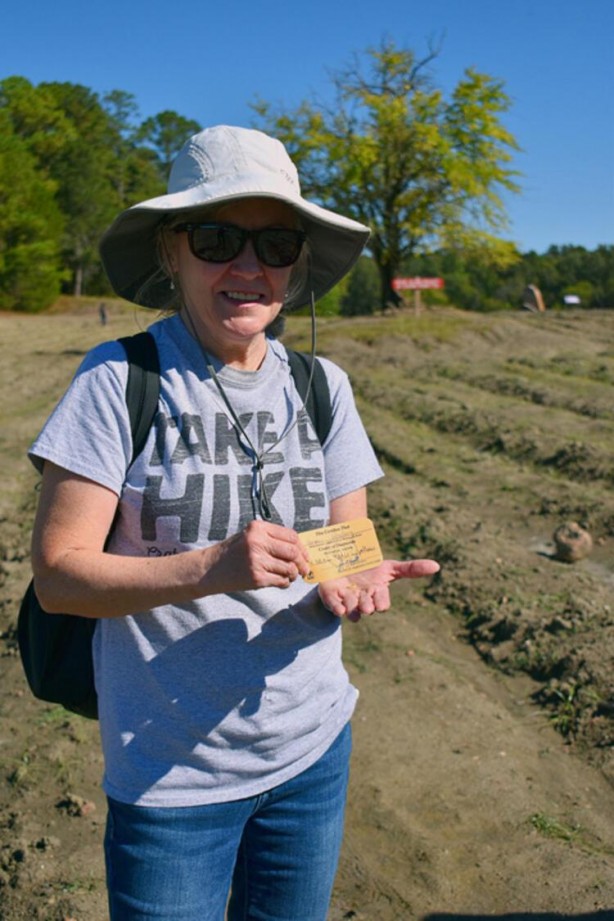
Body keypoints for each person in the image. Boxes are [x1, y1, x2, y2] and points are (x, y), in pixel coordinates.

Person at [29, 125, 440, 921]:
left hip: (313, 750)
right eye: (218, 237)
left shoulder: (324, 385)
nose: (249, 267)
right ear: (171, 250)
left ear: (297, 262)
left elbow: (343, 540)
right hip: (170, 774)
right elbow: (57, 578)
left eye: (276, 242)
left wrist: (350, 579)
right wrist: (212, 566)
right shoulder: (119, 380)